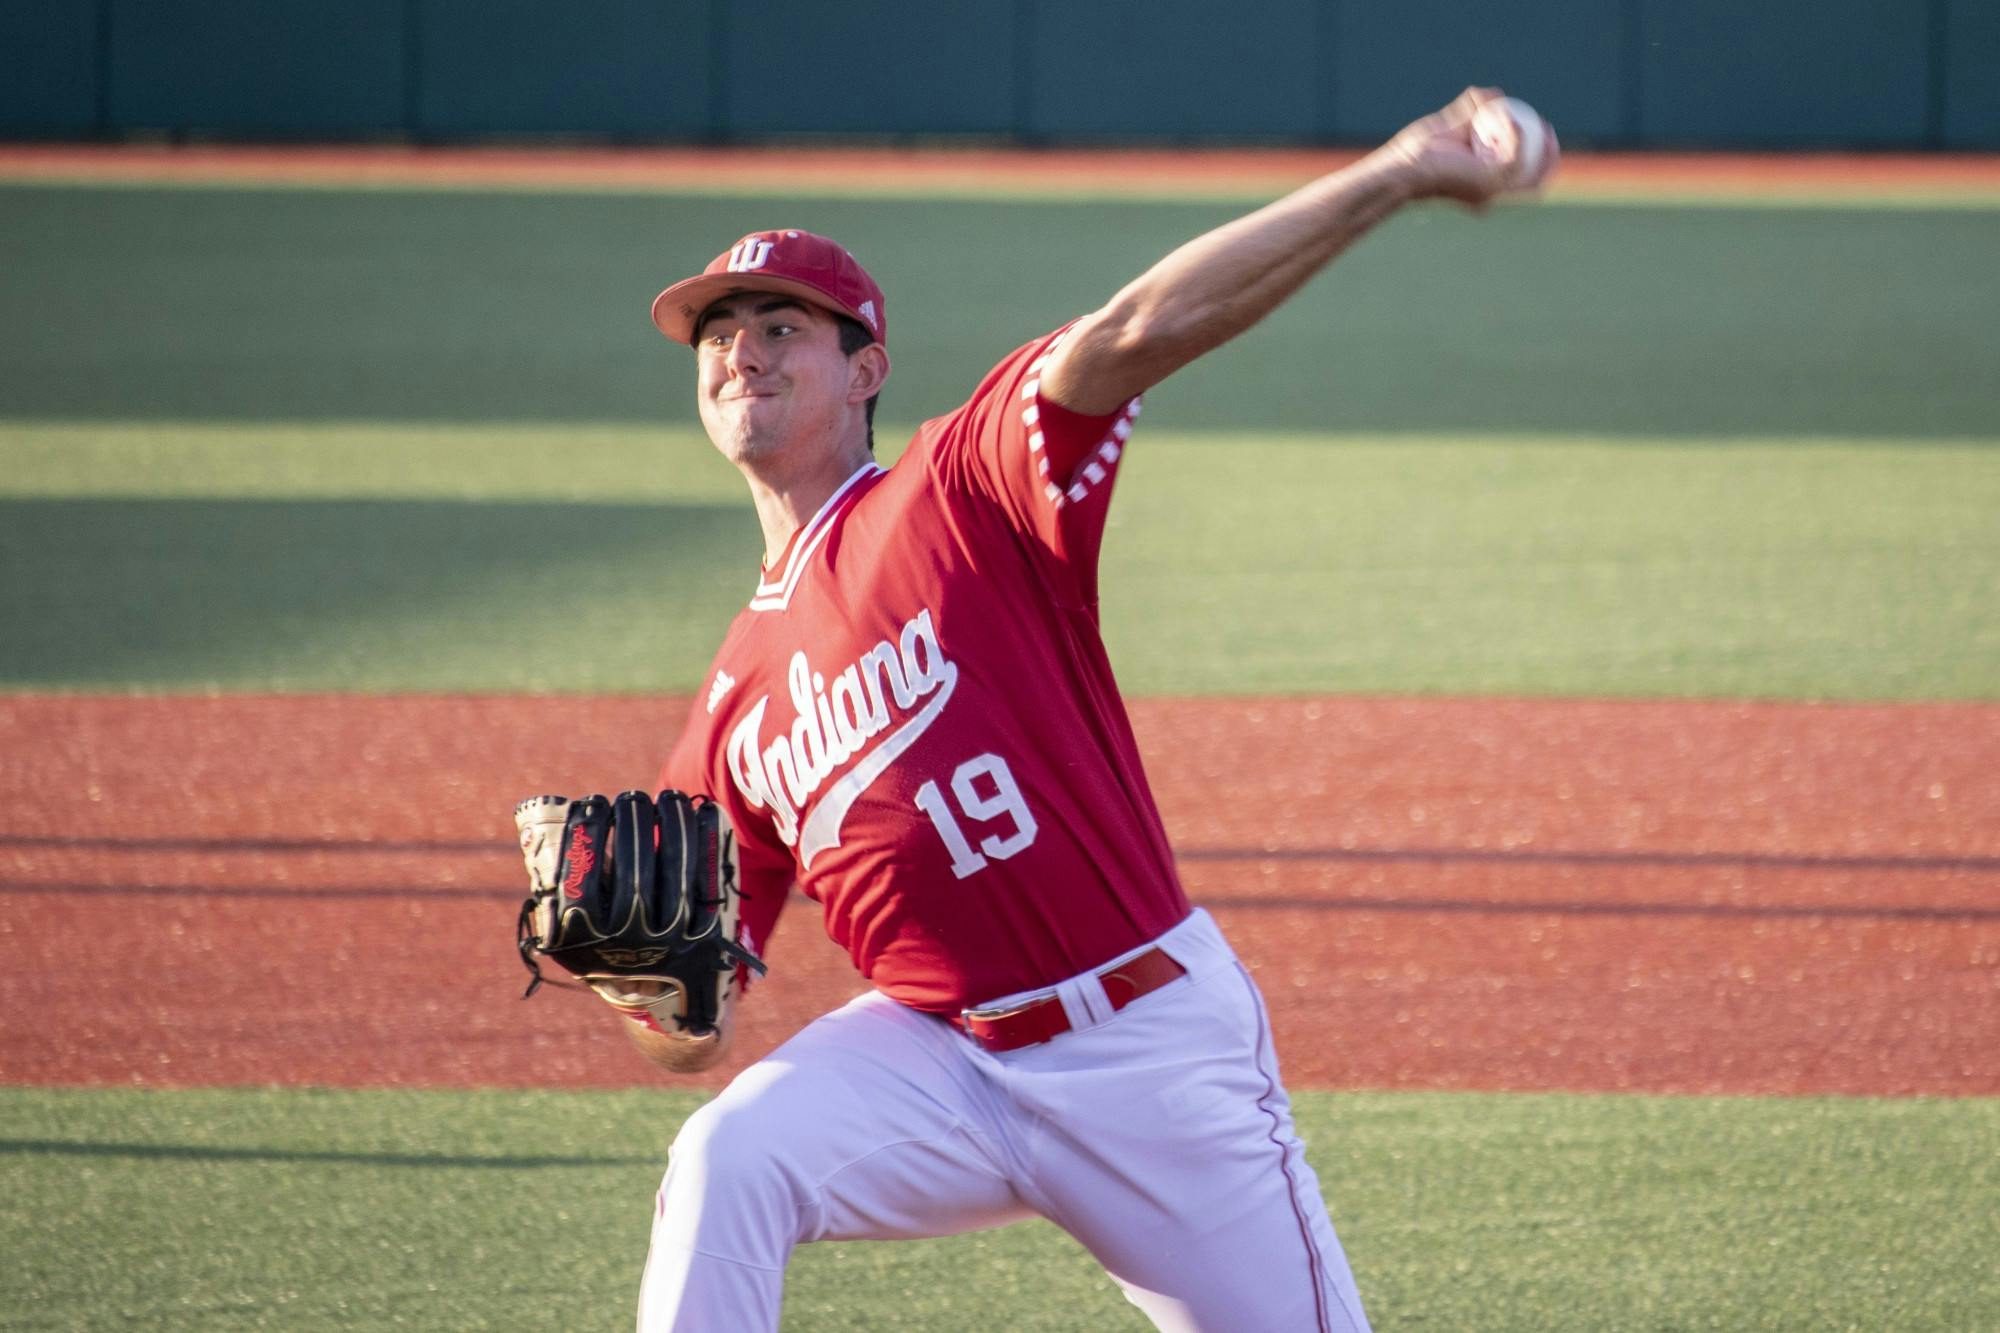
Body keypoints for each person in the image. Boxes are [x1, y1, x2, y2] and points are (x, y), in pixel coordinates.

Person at [610, 88, 1544, 1332]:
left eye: (782, 325)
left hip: (1145, 1044)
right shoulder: (732, 698)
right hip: (933, 1060)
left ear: (865, 368)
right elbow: (694, 1031)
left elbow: (1136, 326)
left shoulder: (957, 484)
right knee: (727, 1156)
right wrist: (650, 998)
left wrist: (1396, 170)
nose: (742, 351)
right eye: (717, 335)